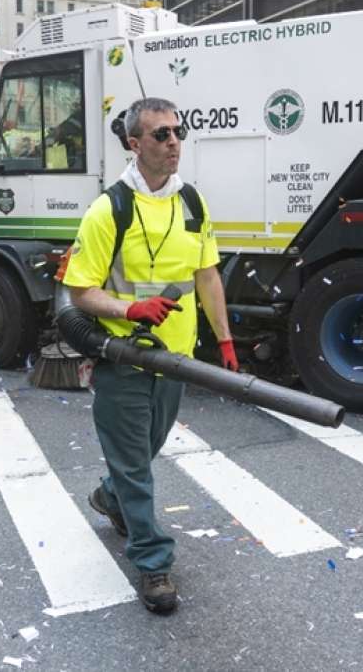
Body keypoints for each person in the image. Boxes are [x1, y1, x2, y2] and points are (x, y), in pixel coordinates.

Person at [61, 98, 236, 615]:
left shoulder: (192, 205)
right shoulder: (107, 210)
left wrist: (225, 342)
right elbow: (80, 292)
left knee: (143, 454)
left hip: (175, 362)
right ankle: (153, 562)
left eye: (178, 132)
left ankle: (108, 497)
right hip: (124, 361)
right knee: (137, 467)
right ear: (134, 144)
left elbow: (207, 276)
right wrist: (130, 307)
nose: (174, 141)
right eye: (161, 134)